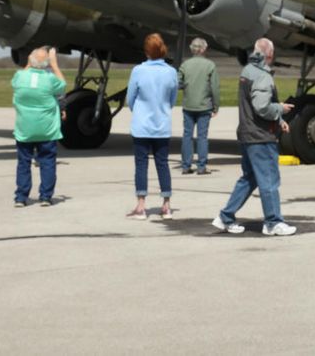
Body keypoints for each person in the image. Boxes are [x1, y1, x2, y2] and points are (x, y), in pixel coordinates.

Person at [212, 38, 296, 236]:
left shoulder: (247, 71)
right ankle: (273, 222)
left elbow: (253, 105)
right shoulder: (262, 76)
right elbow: (261, 107)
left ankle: (225, 217)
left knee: (249, 179)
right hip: (261, 137)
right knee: (269, 180)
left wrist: (279, 119)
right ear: (270, 54)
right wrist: (280, 108)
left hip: (248, 133)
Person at [125, 33, 178, 220]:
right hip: (162, 124)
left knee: (141, 164)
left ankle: (141, 206)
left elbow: (130, 98)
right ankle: (166, 205)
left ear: (147, 51)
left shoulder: (139, 70)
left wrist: (138, 110)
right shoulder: (171, 72)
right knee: (162, 164)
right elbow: (172, 99)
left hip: (142, 125)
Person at [11, 47, 66, 207]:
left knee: (23, 163)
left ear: (30, 61)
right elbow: (62, 85)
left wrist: (29, 61)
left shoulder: (19, 77)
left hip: (25, 129)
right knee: (47, 162)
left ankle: (21, 197)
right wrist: (54, 64)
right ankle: (46, 197)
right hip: (47, 129)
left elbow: (21, 76)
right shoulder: (50, 79)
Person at [178, 37, 220, 175]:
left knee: (187, 135)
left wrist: (187, 86)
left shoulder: (185, 65)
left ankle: (186, 165)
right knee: (202, 136)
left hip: (188, 105)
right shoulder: (210, 65)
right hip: (204, 106)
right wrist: (216, 105)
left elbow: (178, 83)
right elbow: (214, 87)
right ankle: (201, 166)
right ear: (203, 49)